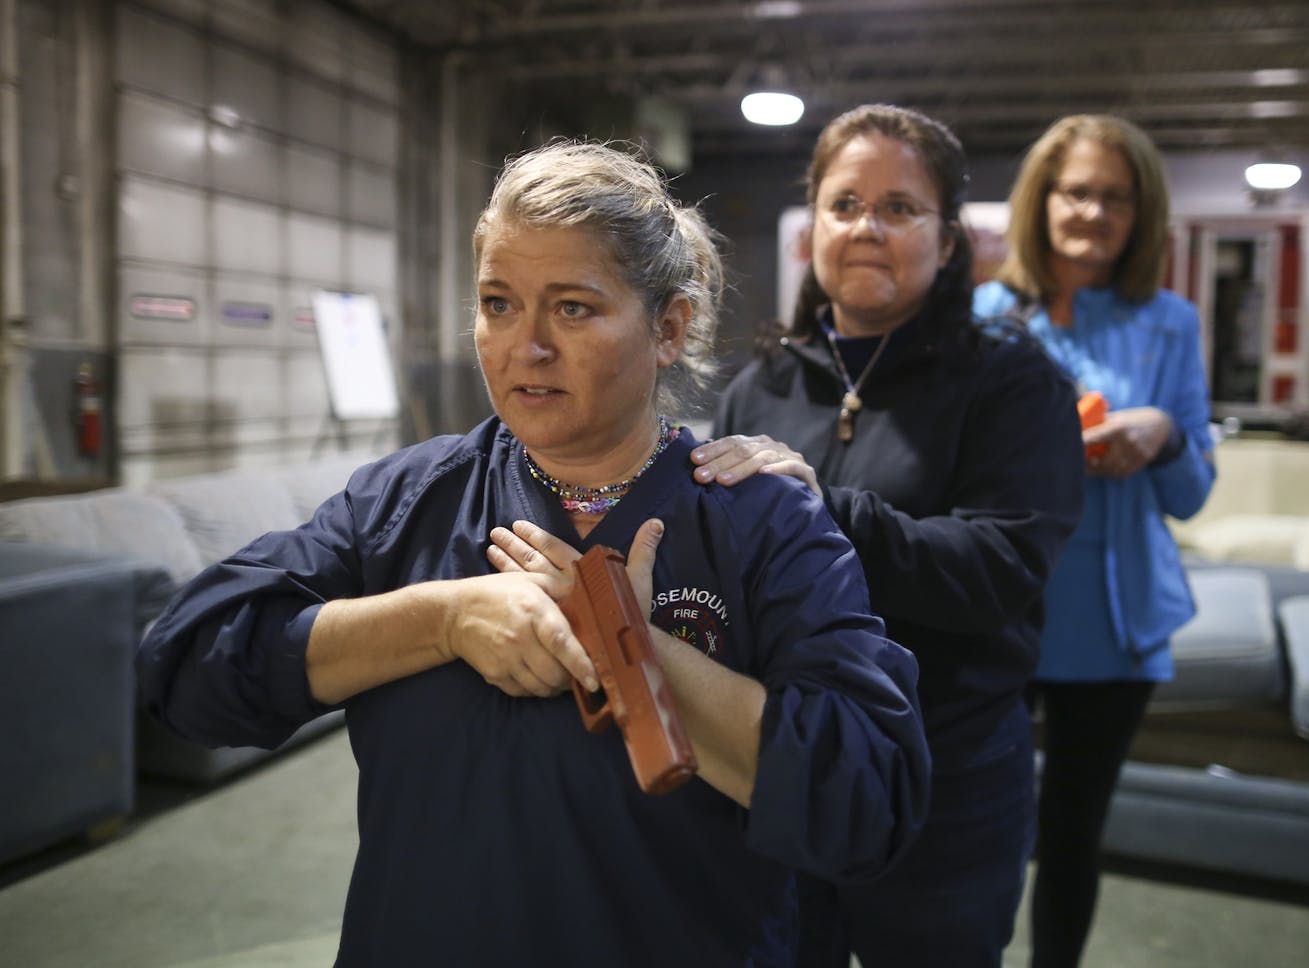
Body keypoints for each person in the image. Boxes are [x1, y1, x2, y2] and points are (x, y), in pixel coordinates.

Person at [135, 140, 932, 967]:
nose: (527, 346)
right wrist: (439, 618)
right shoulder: (410, 501)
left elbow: (871, 802)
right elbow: (185, 668)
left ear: (669, 327)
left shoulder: (759, 519)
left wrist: (631, 647)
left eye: (573, 308)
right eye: (498, 303)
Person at [690, 104, 1085, 967]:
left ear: (949, 242)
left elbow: (998, 569)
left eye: (900, 207)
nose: (867, 226)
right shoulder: (758, 390)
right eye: (844, 204)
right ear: (812, 231)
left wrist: (820, 506)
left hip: (951, 776)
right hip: (784, 763)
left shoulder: (1014, 384)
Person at [974, 114, 1216, 968]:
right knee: (980, 827)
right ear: (1043, 201)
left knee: (1076, 833)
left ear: (1141, 213)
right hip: (1004, 611)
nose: (1094, 212)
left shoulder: (1172, 323)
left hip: (1114, 626)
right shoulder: (987, 314)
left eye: (1117, 197)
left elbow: (1192, 496)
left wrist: (1165, 435)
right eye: (1078, 191)